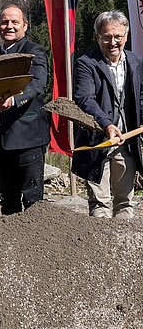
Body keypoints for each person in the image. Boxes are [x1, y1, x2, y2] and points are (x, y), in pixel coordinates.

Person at [0, 4, 49, 215]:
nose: (9, 26)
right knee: (8, 201)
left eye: (15, 22)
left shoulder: (34, 51)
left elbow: (37, 83)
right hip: (3, 140)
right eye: (4, 22)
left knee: (32, 200)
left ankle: (35, 245)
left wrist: (15, 99)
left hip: (28, 138)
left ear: (25, 26)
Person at [72, 11, 143, 219]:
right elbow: (85, 98)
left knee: (125, 203)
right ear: (97, 37)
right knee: (99, 205)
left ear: (126, 36)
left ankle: (121, 249)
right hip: (97, 142)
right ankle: (99, 250)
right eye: (106, 36)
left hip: (126, 142)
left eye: (118, 36)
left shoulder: (136, 62)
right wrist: (106, 124)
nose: (113, 42)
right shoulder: (86, 63)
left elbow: (140, 98)